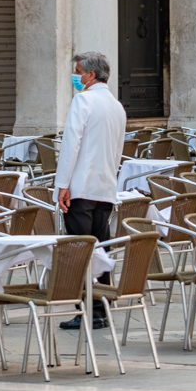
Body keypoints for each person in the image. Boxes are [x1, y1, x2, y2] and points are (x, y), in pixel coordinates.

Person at [55, 51, 125, 330]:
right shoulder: (117, 106)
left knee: (81, 249)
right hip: (104, 187)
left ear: (91, 75)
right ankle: (101, 307)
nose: (76, 76)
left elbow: (70, 144)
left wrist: (62, 185)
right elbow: (117, 150)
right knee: (100, 247)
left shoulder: (83, 100)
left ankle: (87, 309)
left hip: (81, 187)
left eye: (78, 70)